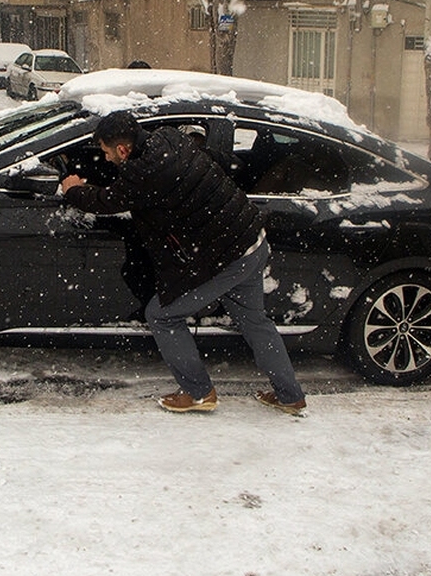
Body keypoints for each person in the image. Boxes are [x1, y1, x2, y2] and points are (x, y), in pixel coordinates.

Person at [60, 110, 307, 414]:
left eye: (107, 152)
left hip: (226, 258)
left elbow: (105, 201)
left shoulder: (144, 174)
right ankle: (290, 395)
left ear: (123, 149)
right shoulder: (170, 136)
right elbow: (215, 159)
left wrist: (73, 189)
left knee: (162, 316)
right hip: (251, 240)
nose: (107, 159)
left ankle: (199, 393)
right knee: (255, 322)